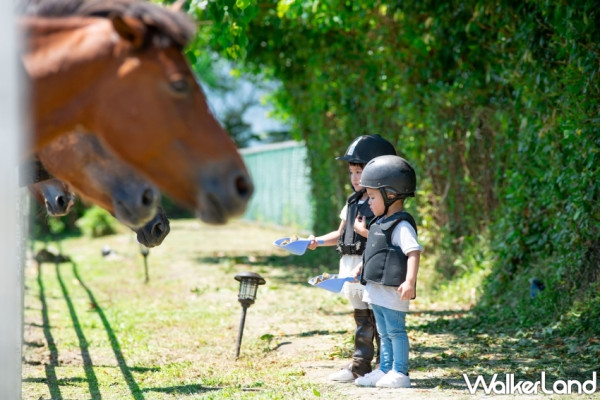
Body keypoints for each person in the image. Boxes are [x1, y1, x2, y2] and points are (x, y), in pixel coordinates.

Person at [307, 134, 396, 382]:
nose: (355, 178)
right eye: (352, 172)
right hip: (350, 264)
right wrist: (317, 241)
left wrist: (364, 233)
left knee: (379, 318)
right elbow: (340, 233)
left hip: (371, 265)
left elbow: (385, 238)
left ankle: (384, 366)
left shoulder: (383, 203)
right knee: (361, 319)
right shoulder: (353, 202)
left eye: (361, 171)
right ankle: (360, 365)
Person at [351, 155, 422, 388]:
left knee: (395, 331)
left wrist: (410, 281)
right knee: (383, 331)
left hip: (392, 291)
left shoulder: (401, 225)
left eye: (372, 196)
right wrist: (363, 266)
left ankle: (399, 372)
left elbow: (413, 252)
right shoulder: (379, 222)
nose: (369, 202)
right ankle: (385, 369)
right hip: (376, 290)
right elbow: (375, 249)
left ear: (391, 194)